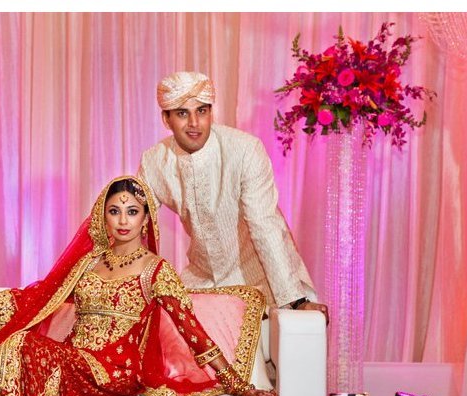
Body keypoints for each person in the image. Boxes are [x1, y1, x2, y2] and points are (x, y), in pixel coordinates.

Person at [0, 176, 277, 396]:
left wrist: (237, 383)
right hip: (76, 361)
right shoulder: (88, 264)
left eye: (132, 212)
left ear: (145, 219)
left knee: (25, 345)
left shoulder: (156, 270)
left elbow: (191, 330)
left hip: (116, 372)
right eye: (115, 211)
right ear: (102, 216)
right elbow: (33, 299)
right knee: (20, 343)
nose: (123, 220)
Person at [137, 71, 329, 321]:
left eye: (202, 111)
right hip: (202, 280)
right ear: (166, 119)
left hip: (260, 280)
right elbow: (134, 224)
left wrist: (295, 299)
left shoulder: (244, 150)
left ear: (211, 112)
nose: (194, 123)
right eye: (183, 113)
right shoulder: (154, 162)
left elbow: (264, 223)